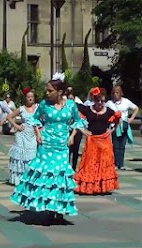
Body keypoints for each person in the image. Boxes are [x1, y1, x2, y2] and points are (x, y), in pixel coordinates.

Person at [11, 72, 89, 223]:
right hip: (46, 145)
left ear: (60, 92)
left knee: (60, 177)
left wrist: (72, 136)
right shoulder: (44, 105)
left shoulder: (71, 105)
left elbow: (78, 121)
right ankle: (47, 207)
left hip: (62, 146)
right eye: (47, 90)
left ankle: (59, 210)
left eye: (50, 90)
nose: (47, 93)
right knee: (46, 177)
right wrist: (38, 134)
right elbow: (34, 120)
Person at [74, 87, 121, 195]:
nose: (100, 103)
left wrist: (111, 130)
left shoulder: (109, 111)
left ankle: (102, 187)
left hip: (105, 141)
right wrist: (83, 130)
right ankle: (89, 187)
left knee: (104, 163)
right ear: (94, 99)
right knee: (90, 163)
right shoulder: (87, 110)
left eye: (102, 101)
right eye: (98, 100)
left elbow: (118, 119)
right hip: (92, 140)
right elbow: (76, 118)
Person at [6, 89, 38, 185]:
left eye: (32, 96)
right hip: (22, 135)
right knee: (20, 156)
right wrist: (17, 126)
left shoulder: (38, 108)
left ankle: (31, 177)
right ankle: (18, 178)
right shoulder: (22, 108)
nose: (30, 98)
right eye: (28, 97)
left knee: (32, 156)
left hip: (33, 135)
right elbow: (9, 117)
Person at [105, 85, 139, 170]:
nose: (115, 94)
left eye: (117, 92)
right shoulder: (109, 103)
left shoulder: (126, 101)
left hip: (124, 125)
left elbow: (136, 108)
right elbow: (104, 111)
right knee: (115, 145)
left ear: (121, 93)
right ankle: (116, 163)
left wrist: (131, 118)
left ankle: (121, 164)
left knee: (122, 145)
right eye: (114, 93)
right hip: (114, 126)